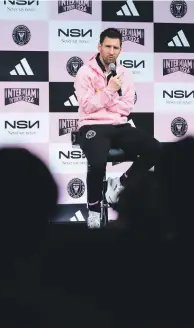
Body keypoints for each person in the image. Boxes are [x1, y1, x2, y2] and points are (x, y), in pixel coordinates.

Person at [74, 28, 161, 229]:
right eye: (107, 46)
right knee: (97, 164)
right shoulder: (85, 72)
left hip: (119, 124)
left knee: (155, 149)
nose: (111, 51)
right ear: (99, 47)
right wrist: (111, 90)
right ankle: (94, 212)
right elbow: (87, 106)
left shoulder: (124, 73)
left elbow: (127, 106)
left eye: (116, 47)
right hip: (92, 125)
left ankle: (120, 183)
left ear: (120, 50)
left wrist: (102, 97)